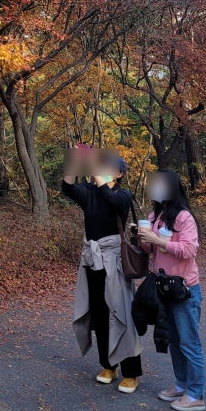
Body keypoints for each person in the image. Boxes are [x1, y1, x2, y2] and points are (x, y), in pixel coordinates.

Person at [62, 150, 143, 393]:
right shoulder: (89, 193)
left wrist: (98, 177)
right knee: (98, 314)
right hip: (92, 259)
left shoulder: (123, 195)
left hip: (114, 260)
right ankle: (108, 366)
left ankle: (131, 373)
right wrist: (76, 161)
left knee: (122, 314)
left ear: (119, 174)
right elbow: (67, 187)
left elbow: (114, 203)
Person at [136, 169, 205, 411]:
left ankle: (196, 394)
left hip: (184, 289)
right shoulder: (155, 215)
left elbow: (188, 250)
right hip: (163, 288)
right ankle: (181, 384)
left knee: (189, 342)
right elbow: (149, 250)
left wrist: (158, 241)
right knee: (174, 340)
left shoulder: (184, 217)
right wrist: (143, 237)